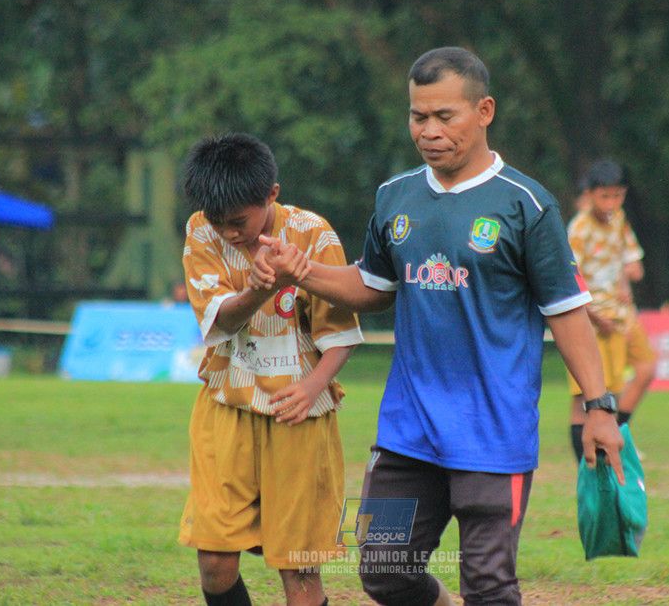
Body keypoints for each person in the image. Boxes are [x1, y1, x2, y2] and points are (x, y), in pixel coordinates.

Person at [252, 47, 624, 606]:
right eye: (417, 116)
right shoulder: (394, 197)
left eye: (443, 116)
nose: (427, 130)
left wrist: (599, 408)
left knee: (490, 587)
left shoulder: (528, 206)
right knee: (383, 569)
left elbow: (566, 313)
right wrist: (301, 272)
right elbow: (372, 289)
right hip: (409, 432)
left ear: (484, 111)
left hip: (493, 435)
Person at [177, 133, 363, 606]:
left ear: (271, 195)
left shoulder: (314, 234)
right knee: (215, 562)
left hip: (297, 415)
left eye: (238, 221)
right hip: (226, 409)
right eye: (219, 222)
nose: (229, 233)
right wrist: (262, 286)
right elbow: (219, 318)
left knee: (299, 573)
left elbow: (340, 331)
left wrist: (314, 385)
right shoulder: (201, 232)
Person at [566, 159, 658, 463]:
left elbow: (629, 262)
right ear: (590, 194)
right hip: (595, 320)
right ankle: (586, 463)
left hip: (619, 316)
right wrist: (594, 316)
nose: (611, 203)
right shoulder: (578, 230)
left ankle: (614, 439)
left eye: (617, 196)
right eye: (605, 196)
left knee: (633, 376)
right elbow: (570, 281)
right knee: (587, 393)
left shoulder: (619, 219)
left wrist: (625, 281)